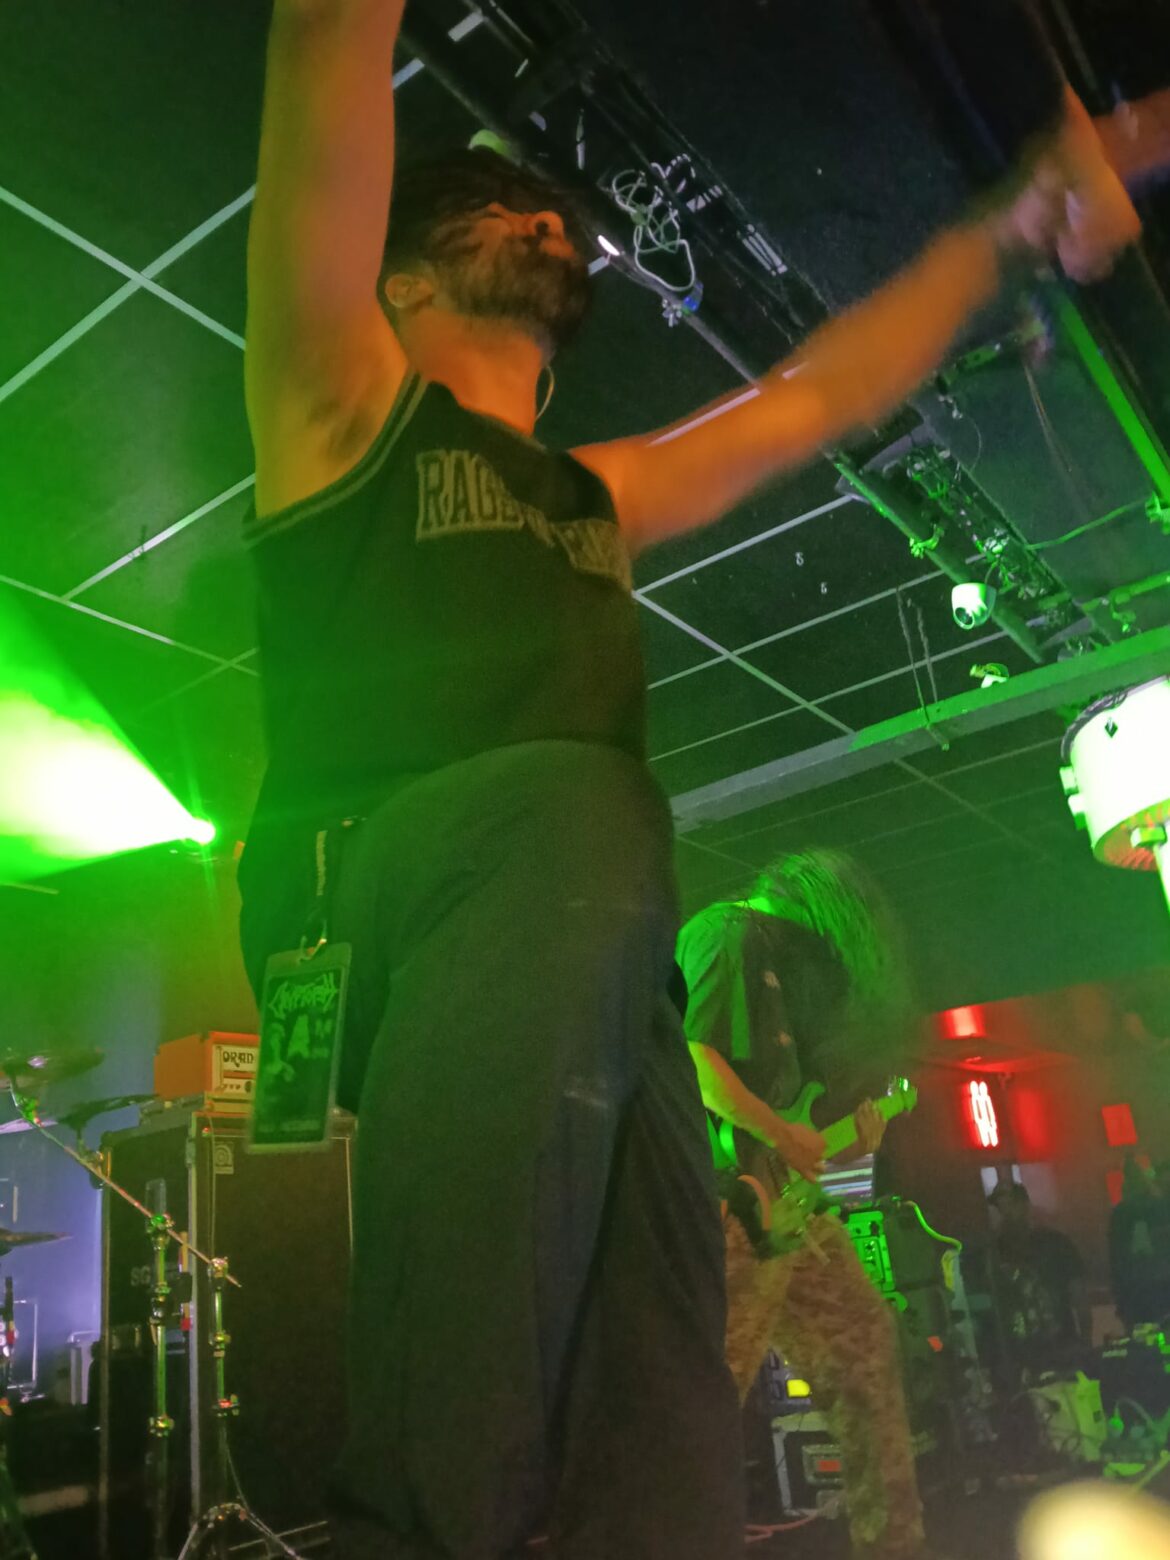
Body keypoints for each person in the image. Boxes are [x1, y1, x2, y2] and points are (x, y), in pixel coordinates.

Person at [236, 4, 1135, 1556]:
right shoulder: (342, 412)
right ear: (398, 282)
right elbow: (322, 36)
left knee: (660, 1407)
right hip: (385, 894)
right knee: (587, 811)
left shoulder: (597, 494)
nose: (545, 219)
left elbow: (812, 397)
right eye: (494, 208)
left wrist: (1001, 229)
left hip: (581, 951)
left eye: (550, 213)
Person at [676, 848, 928, 1560]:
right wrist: (784, 1134)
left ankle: (894, 1545)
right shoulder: (725, 932)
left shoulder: (777, 967)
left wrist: (845, 1144)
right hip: (732, 1210)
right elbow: (695, 1063)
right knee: (709, 1389)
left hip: (791, 1211)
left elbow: (790, 1127)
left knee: (865, 1347)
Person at [984, 1180, 1088, 1373]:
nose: (1006, 1213)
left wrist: (1085, 1344)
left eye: (1010, 1205)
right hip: (1021, 1358)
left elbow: (1079, 1296)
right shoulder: (995, 1253)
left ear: (1025, 1205)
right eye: (1000, 1208)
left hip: (1061, 1348)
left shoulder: (1055, 1243)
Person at [1109, 1157, 1170, 1332]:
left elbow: (1118, 1261)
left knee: (1147, 1343)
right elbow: (1119, 1260)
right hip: (1142, 1298)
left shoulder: (1122, 1213)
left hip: (1140, 1298)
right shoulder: (1127, 1214)